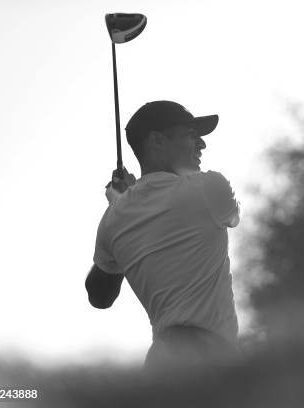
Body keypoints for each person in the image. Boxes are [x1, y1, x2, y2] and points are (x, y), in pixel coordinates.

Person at [85, 100, 240, 371]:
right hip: (210, 360)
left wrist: (122, 205)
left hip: (161, 364)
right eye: (191, 136)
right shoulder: (210, 188)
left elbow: (99, 296)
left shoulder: (113, 219)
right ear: (157, 141)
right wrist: (126, 203)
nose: (202, 145)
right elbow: (230, 216)